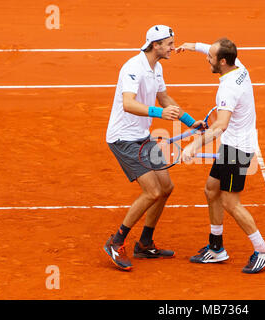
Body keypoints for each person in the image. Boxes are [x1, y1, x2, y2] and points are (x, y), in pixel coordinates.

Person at [104, 25, 204, 271]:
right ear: (155, 45)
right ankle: (115, 242)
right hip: (123, 139)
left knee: (166, 187)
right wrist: (159, 113)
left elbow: (165, 98)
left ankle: (145, 244)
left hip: (143, 136)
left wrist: (192, 122)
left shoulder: (156, 68)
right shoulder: (132, 68)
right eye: (169, 44)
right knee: (152, 192)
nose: (173, 48)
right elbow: (128, 104)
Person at [176, 39, 265, 273]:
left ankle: (262, 250)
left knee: (231, 202)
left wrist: (195, 146)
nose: (207, 59)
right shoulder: (239, 66)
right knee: (212, 189)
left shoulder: (228, 88)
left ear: (222, 61)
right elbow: (211, 48)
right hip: (230, 147)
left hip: (237, 150)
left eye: (210, 57)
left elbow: (221, 124)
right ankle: (216, 247)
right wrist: (191, 46)